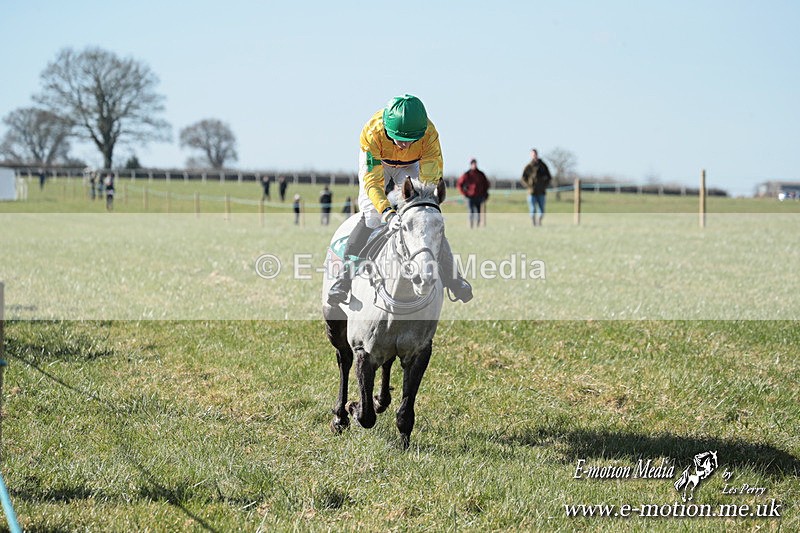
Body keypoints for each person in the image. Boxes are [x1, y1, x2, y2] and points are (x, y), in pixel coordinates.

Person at [327, 94, 473, 305]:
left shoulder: (430, 134)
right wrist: (387, 212)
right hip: (380, 164)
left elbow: (430, 178)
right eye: (400, 139)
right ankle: (344, 279)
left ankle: (453, 278)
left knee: (426, 218)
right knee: (372, 216)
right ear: (387, 128)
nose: (404, 145)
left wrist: (420, 206)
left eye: (411, 139)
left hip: (411, 165)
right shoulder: (372, 133)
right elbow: (373, 183)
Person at [521, 148, 552, 226]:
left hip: (541, 191)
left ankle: (539, 221)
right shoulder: (528, 166)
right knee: (532, 209)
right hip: (531, 192)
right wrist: (528, 185)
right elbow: (523, 178)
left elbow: (549, 177)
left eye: (535, 154)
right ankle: (533, 223)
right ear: (531, 155)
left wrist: (544, 185)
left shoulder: (543, 166)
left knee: (542, 210)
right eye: (533, 154)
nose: (534, 156)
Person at [456, 158, 491, 228]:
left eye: (475, 163)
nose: (474, 165)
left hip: (479, 196)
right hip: (470, 197)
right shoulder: (467, 174)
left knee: (478, 212)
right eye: (472, 163)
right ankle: (471, 225)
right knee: (471, 211)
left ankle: (477, 225)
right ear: (471, 164)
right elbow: (459, 184)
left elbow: (486, 185)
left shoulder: (481, 174)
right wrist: (464, 193)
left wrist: (485, 194)